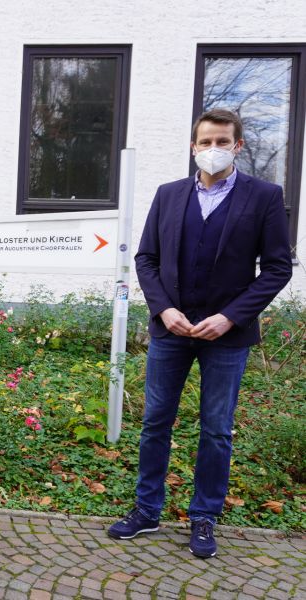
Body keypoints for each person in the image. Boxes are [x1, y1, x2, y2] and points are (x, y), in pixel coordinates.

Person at [108, 109, 292, 557]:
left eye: (222, 141)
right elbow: (146, 259)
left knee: (216, 430)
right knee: (155, 423)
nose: (213, 149)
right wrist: (163, 308)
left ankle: (204, 517)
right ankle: (147, 510)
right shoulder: (169, 195)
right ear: (193, 146)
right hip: (171, 330)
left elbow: (277, 268)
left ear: (238, 146)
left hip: (226, 337)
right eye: (206, 141)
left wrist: (230, 317)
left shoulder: (264, 196)